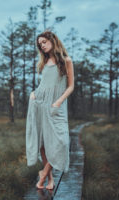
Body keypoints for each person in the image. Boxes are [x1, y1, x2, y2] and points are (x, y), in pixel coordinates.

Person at [25, 30, 74, 190]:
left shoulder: (66, 61)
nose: (42, 46)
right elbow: (44, 85)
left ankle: (43, 173)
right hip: (39, 103)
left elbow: (71, 86)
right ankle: (50, 179)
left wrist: (59, 101)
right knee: (43, 144)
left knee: (62, 142)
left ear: (52, 40)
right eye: (40, 45)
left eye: (44, 42)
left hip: (56, 107)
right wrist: (33, 93)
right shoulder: (44, 62)